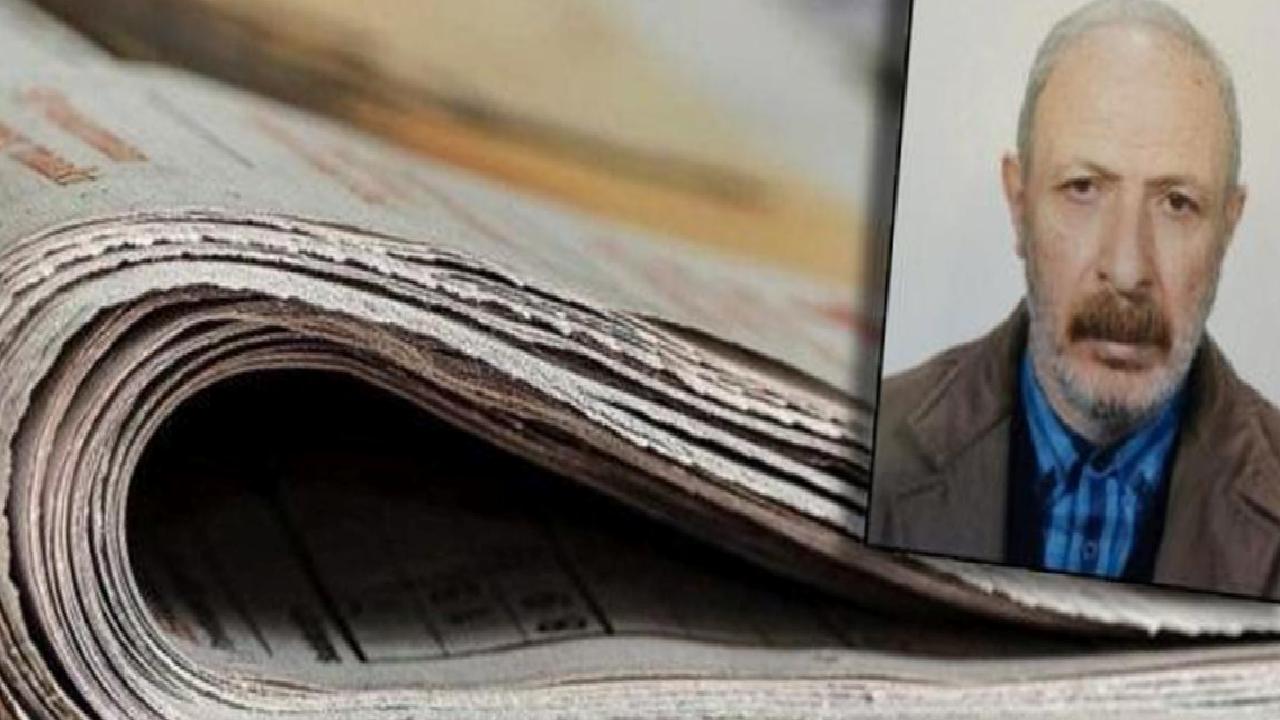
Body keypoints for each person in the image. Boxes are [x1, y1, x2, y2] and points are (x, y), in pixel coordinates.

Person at [869, 0, 1280, 598]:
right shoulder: (861, 445)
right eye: (1083, 188)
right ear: (1019, 204)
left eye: (1177, 203)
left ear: (1227, 228)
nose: (1127, 269)